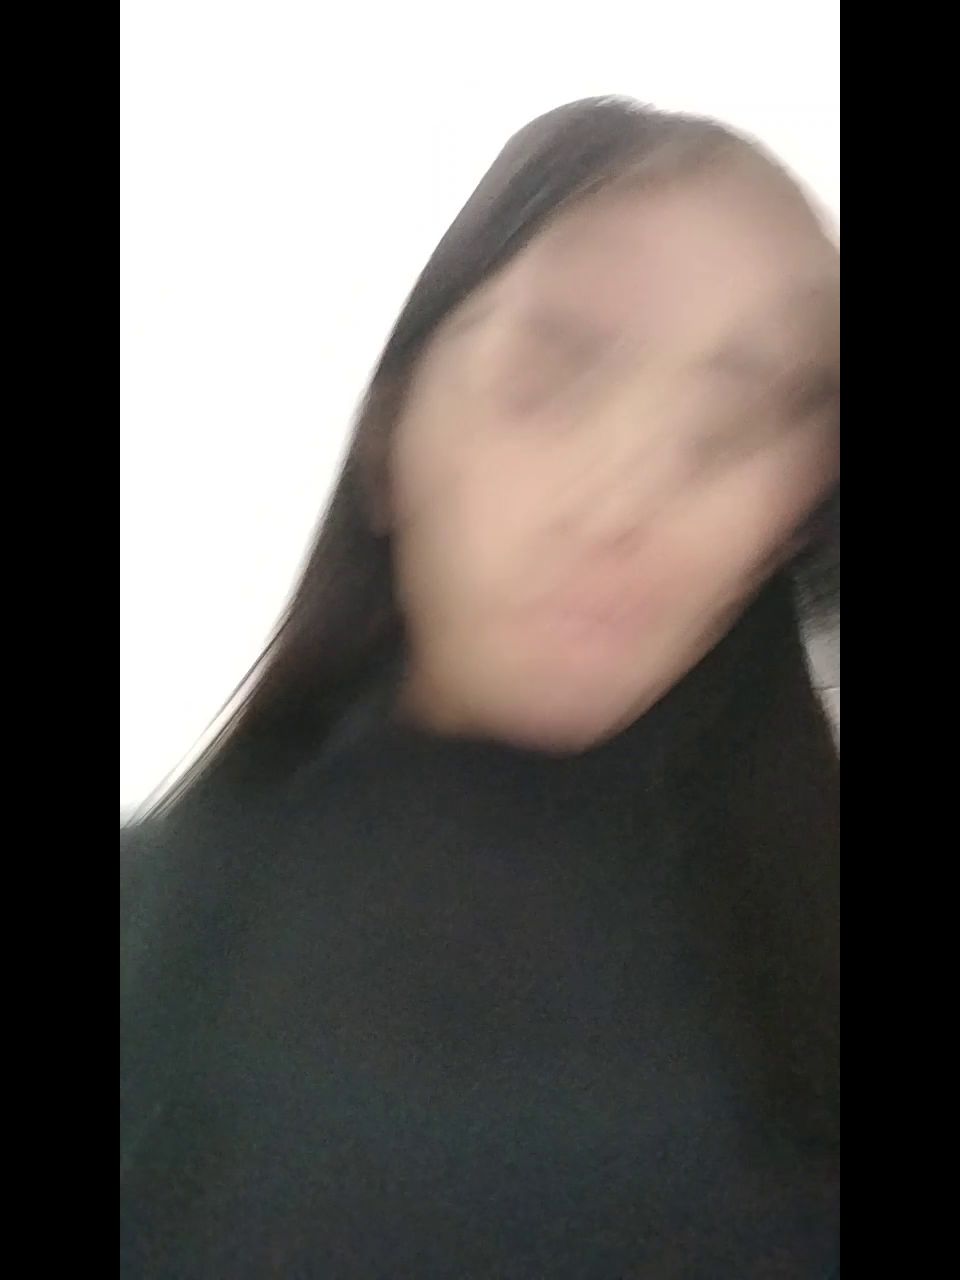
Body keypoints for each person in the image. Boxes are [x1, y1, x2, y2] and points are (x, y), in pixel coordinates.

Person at [121, 96, 840, 1278]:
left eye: (737, 420)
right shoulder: (151, 934)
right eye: (552, 373)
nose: (625, 502)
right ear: (388, 438)